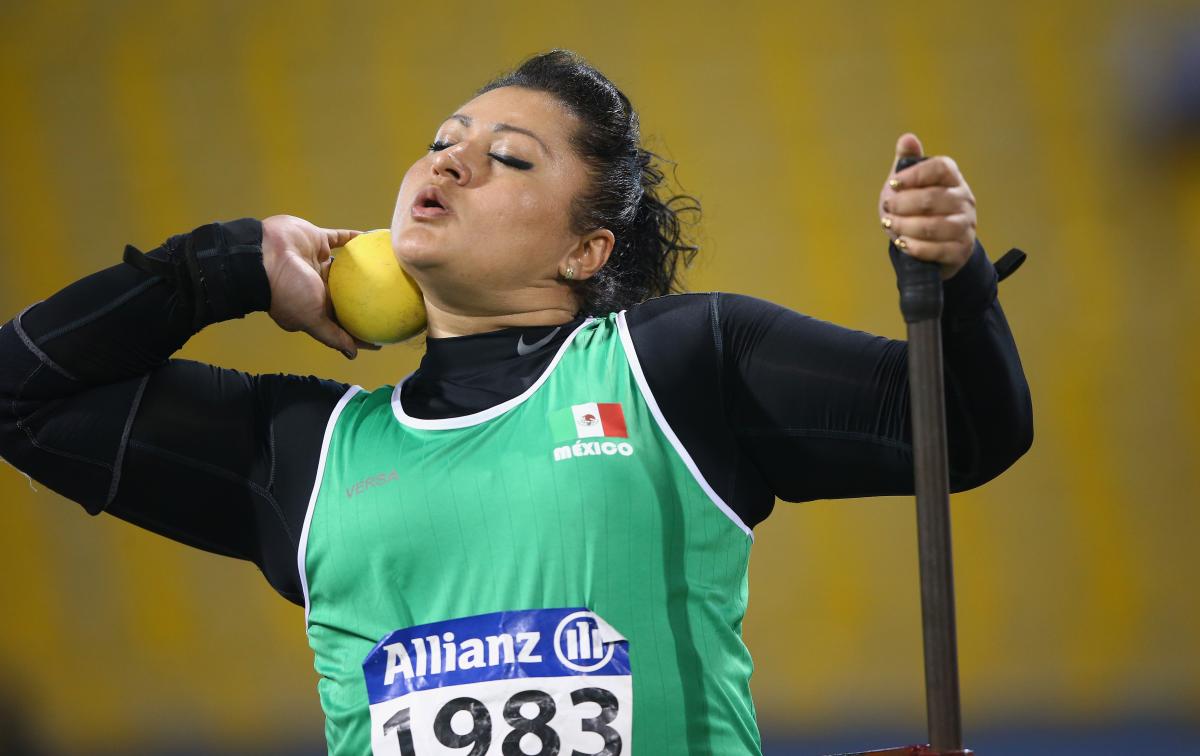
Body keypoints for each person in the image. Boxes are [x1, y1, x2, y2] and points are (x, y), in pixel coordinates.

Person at [0, 50, 1031, 755]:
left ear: (586, 250)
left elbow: (967, 430)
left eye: (507, 158)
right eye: (445, 138)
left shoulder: (676, 365)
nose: (450, 158)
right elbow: (20, 394)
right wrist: (222, 267)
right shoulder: (306, 455)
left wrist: (957, 271)